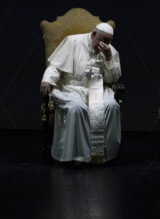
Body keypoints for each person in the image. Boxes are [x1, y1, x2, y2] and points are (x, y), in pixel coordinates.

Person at [40, 23, 122, 165]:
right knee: (78, 108)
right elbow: (55, 66)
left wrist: (109, 58)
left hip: (99, 89)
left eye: (109, 41)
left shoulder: (110, 51)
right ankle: (78, 156)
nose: (106, 44)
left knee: (111, 106)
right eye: (103, 40)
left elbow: (113, 79)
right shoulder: (72, 42)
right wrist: (47, 80)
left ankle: (103, 155)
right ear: (93, 35)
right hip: (72, 88)